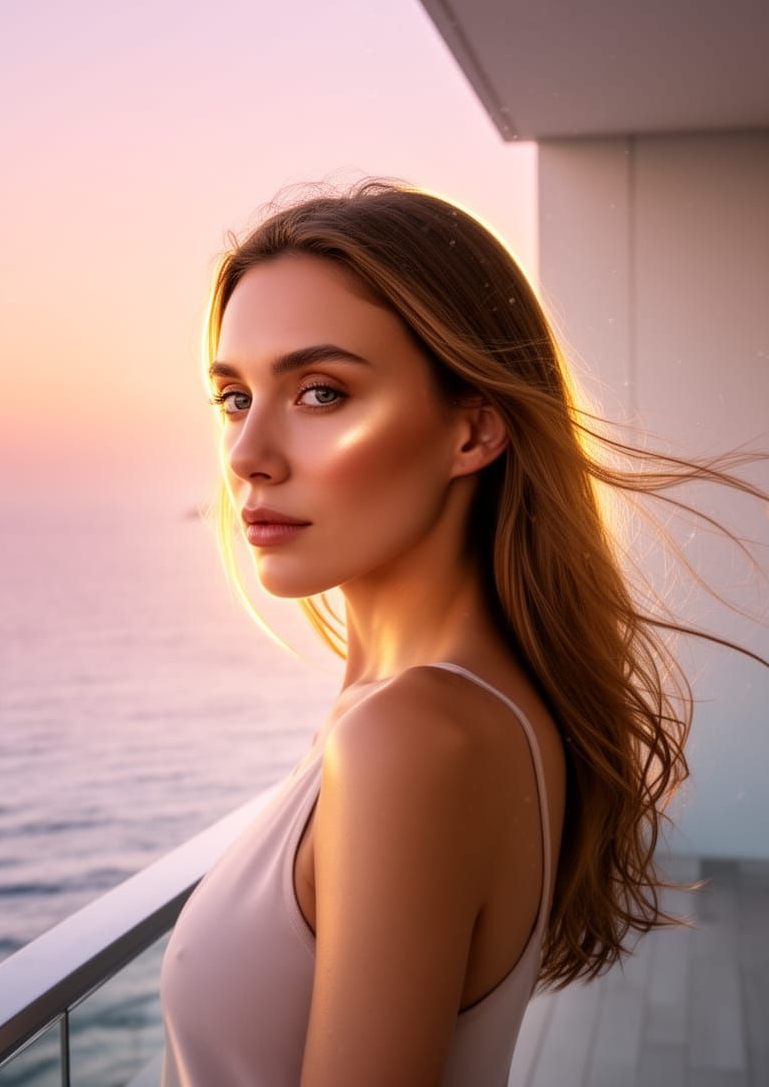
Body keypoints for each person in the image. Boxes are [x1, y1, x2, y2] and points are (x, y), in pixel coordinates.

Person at [160, 181, 765, 1087]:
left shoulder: (412, 736)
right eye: (236, 397)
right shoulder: (428, 707)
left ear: (474, 430)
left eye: (321, 392)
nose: (248, 456)